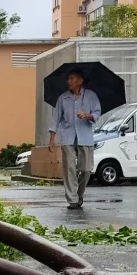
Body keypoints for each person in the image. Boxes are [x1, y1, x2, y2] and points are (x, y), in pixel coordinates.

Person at [49, 68, 102, 209]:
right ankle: (72, 200)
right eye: (68, 79)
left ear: (80, 81)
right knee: (69, 169)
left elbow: (97, 112)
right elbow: (56, 119)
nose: (69, 81)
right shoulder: (62, 98)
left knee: (86, 169)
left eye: (72, 79)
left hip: (85, 137)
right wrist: (52, 139)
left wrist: (87, 115)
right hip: (67, 138)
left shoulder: (91, 96)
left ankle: (79, 193)